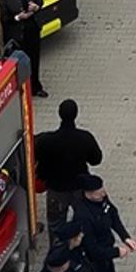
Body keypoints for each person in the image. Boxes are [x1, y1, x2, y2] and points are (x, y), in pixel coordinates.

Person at [72, 175, 136, 272]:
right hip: (93, 262)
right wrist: (116, 252)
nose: (103, 194)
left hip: (105, 255)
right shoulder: (83, 216)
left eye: (102, 190)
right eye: (98, 192)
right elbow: (92, 250)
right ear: (88, 193)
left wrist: (125, 237)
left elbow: (113, 214)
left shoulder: (101, 199)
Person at [37, 98, 103, 233]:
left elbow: (39, 163)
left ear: (59, 114)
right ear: (76, 114)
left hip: (56, 189)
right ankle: (80, 242)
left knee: (56, 225)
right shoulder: (85, 137)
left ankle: (58, 245)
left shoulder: (46, 140)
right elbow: (96, 160)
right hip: (79, 187)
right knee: (84, 220)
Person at [0, 0, 45, 96]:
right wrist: (18, 17)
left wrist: (36, 7)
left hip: (32, 30)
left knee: (34, 59)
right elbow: (4, 18)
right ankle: (23, 89)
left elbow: (40, 1)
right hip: (17, 35)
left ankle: (35, 86)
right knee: (21, 63)